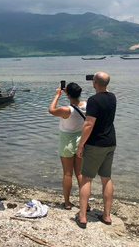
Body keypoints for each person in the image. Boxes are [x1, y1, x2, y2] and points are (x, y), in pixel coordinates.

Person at [75, 72, 116, 229]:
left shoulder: (93, 100)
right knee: (106, 178)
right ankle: (106, 216)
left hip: (95, 143)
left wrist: (80, 146)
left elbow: (88, 124)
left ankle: (83, 216)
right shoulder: (112, 97)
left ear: (94, 83)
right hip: (111, 141)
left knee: (86, 179)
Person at [49, 82, 86, 210]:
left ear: (68, 94)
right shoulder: (87, 105)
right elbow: (76, 102)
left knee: (67, 174)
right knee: (80, 173)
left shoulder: (66, 110)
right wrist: (69, 94)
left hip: (66, 141)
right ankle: (84, 204)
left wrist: (57, 95)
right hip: (81, 140)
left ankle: (67, 203)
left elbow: (51, 110)